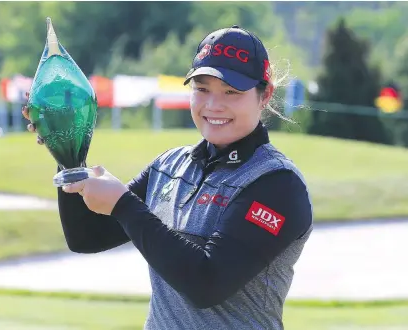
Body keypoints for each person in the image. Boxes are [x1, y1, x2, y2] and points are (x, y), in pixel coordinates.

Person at [22, 25, 313, 330]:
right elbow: (87, 237)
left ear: (264, 94)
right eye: (202, 89)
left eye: (231, 92)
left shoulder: (277, 183)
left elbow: (207, 284)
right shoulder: (171, 165)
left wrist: (123, 204)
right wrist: (68, 153)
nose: (213, 105)